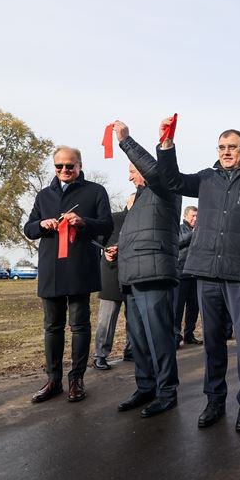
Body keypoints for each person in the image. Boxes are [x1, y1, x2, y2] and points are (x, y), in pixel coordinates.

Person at [158, 123, 240, 432]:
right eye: (222, 147)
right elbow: (171, 180)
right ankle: (214, 400)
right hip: (206, 270)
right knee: (212, 341)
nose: (226, 152)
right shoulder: (206, 179)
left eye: (232, 147)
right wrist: (168, 146)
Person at [23, 146, 113, 403]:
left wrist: (83, 221)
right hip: (51, 269)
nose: (64, 170)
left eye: (70, 166)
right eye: (59, 166)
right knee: (52, 326)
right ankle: (53, 380)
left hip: (79, 267)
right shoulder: (43, 196)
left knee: (80, 325)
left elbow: (106, 225)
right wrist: (41, 224)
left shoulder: (95, 191)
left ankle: (77, 379)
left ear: (79, 166)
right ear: (54, 167)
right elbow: (29, 228)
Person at [107, 124, 182, 418]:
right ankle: (146, 386)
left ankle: (167, 392)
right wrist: (116, 248)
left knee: (158, 337)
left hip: (154, 273)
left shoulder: (165, 188)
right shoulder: (137, 199)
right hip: (132, 275)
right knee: (138, 338)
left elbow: (154, 171)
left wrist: (125, 140)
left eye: (132, 169)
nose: (129, 175)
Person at [92, 194, 134, 370]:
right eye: (134, 200)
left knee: (134, 318)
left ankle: (131, 350)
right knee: (107, 318)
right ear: (128, 202)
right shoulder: (113, 219)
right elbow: (95, 240)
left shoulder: (145, 221)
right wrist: (106, 251)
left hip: (134, 274)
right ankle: (100, 355)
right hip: (111, 273)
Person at [174, 205, 201, 348]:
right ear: (185, 216)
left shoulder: (200, 231)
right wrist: (194, 234)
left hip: (196, 275)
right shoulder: (178, 229)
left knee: (193, 308)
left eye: (197, 216)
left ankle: (189, 335)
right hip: (181, 274)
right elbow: (177, 242)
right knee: (178, 308)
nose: (195, 219)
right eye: (193, 216)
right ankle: (175, 336)